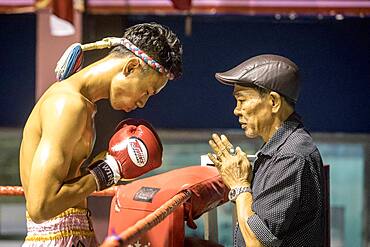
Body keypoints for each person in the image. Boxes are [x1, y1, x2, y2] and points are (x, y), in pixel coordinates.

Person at [19, 22, 182, 246]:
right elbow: (40, 207)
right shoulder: (68, 105)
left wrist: (100, 168)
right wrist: (106, 172)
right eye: (146, 91)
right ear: (131, 67)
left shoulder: (84, 106)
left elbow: (64, 184)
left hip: (73, 234)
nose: (143, 102)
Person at [208, 54, 324, 246]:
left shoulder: (290, 155)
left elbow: (258, 242)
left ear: (273, 102)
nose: (236, 110)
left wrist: (240, 185)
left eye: (242, 100)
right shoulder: (281, 149)